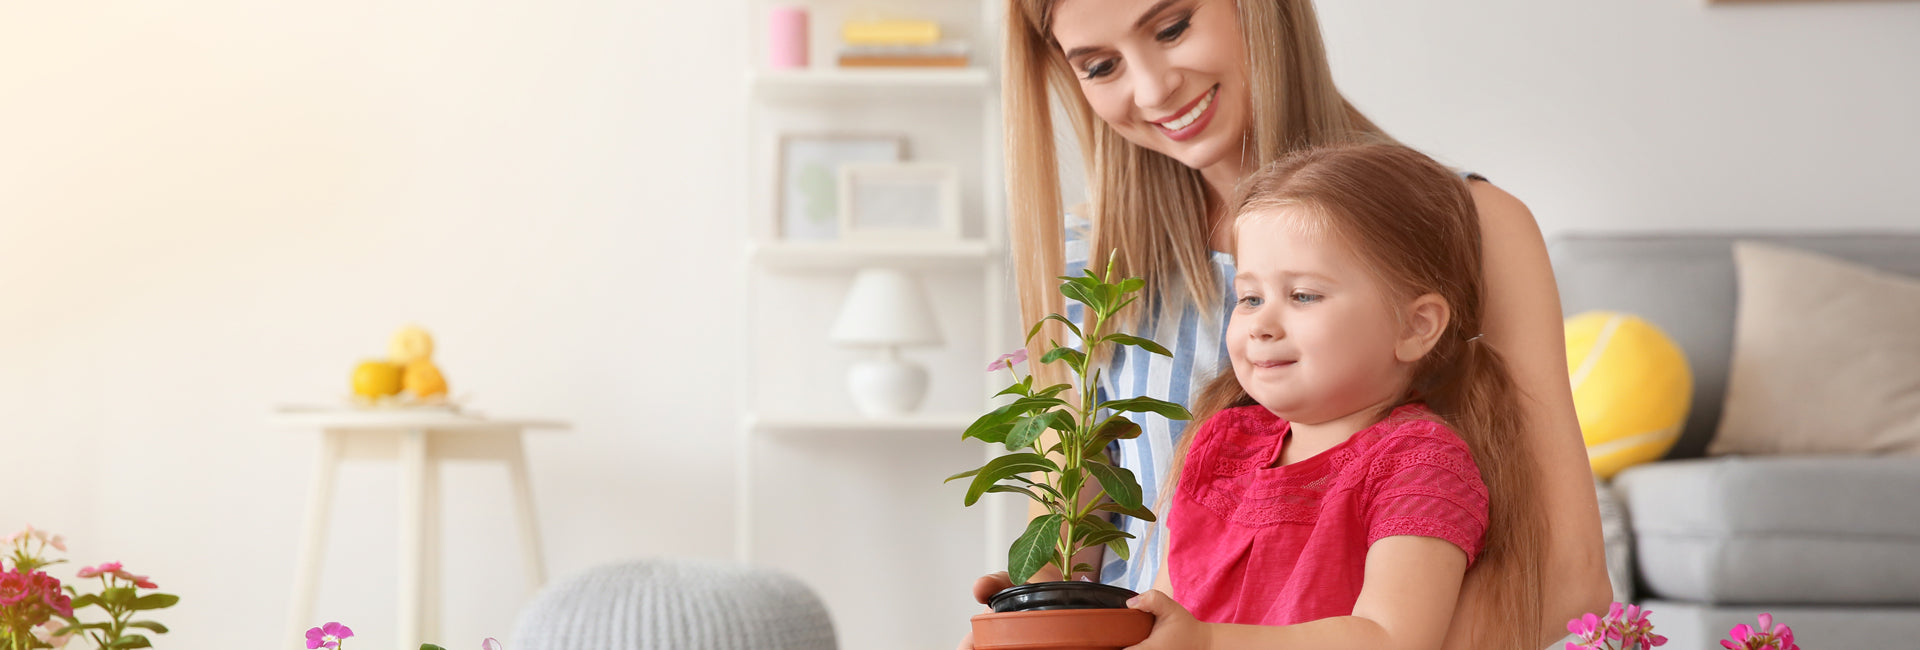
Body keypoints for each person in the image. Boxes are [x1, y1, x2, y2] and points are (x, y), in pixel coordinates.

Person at [965, 0, 1610, 648]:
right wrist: (1032, 621)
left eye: (1172, 27)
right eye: (1101, 66)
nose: (1154, 88)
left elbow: (1568, 580)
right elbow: (1070, 541)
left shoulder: (1472, 226)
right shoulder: (1089, 261)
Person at [1124, 141, 1544, 649]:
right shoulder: (1222, 443)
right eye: (1250, 298)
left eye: (1303, 295)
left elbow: (1392, 638)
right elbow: (1165, 614)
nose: (1261, 324)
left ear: (1416, 326)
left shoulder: (1420, 463)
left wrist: (1208, 642)